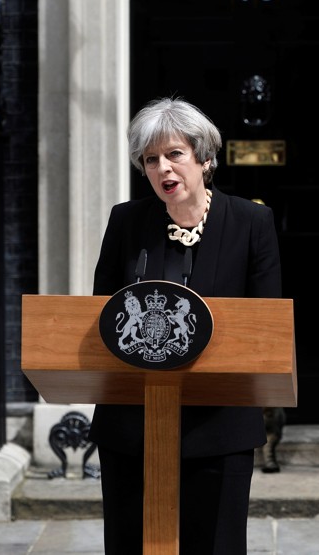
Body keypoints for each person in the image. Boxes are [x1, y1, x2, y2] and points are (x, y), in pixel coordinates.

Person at [89, 97, 282, 554]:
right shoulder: (126, 221)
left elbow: (265, 325)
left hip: (219, 424)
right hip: (132, 423)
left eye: (175, 154)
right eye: (151, 159)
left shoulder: (252, 222)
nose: (163, 168)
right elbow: (100, 314)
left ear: (205, 158)